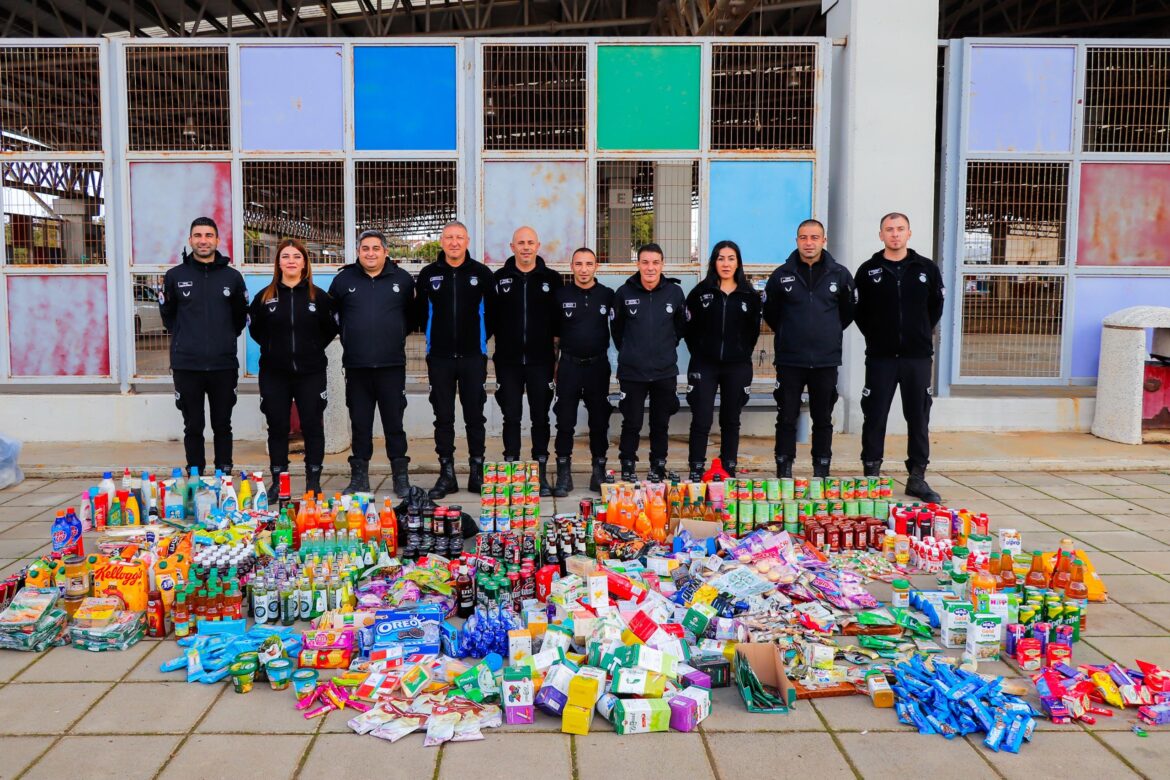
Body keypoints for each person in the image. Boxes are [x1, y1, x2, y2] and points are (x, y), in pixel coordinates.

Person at [854, 212, 945, 503]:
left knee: (918, 417)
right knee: (875, 415)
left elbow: (935, 308)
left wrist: (917, 333)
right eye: (889, 229)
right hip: (881, 358)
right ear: (880, 235)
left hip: (917, 358)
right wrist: (878, 337)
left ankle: (917, 477)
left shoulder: (926, 269)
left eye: (900, 229)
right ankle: (871, 476)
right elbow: (859, 312)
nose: (895, 234)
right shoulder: (868, 270)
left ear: (909, 233)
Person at [763, 219, 855, 479]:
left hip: (825, 361)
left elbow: (847, 313)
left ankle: (821, 469)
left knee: (823, 418)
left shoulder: (840, 274)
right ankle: (784, 468)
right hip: (790, 360)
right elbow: (772, 314)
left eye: (814, 237)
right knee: (787, 417)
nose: (809, 242)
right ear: (797, 241)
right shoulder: (782, 275)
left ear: (824, 241)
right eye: (804, 237)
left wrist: (828, 332)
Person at [328, 230, 416, 498]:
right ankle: (359, 480)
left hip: (392, 366)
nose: (370, 253)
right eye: (365, 248)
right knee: (360, 424)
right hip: (357, 367)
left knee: (394, 424)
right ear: (358, 252)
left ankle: (401, 479)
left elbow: (412, 317)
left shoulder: (401, 279)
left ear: (385, 252)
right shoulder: (344, 280)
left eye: (376, 248)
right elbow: (332, 315)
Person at [248, 239, 337, 498]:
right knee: (277, 426)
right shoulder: (264, 297)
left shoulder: (318, 296)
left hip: (311, 372)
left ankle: (313, 481)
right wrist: (276, 348)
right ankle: (279, 481)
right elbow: (256, 330)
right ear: (278, 262)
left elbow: (330, 329)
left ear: (304, 263)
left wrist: (310, 348)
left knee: (312, 426)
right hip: (275, 374)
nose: (291, 261)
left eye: (296, 256)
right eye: (285, 256)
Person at [159, 216, 247, 478]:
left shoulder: (232, 277)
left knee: (223, 425)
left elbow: (240, 318)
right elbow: (169, 317)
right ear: (190, 240)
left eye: (209, 235)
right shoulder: (175, 276)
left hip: (223, 365)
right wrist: (190, 339)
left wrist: (222, 339)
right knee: (193, 425)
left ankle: (224, 476)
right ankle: (195, 476)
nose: (203, 240)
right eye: (198, 235)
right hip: (187, 366)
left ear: (218, 240)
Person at [415, 221, 496, 499]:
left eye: (459, 237)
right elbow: (420, 315)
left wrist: (480, 341)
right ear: (441, 241)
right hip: (439, 358)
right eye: (449, 237)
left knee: (476, 417)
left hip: (473, 357)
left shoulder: (482, 274)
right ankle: (446, 474)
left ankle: (477, 472)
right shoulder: (428, 274)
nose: (454, 242)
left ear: (468, 240)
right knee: (443, 417)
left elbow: (492, 315)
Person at [490, 227, 563, 495]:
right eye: (520, 243)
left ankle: (539, 474)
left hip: (540, 361)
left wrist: (556, 359)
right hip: (507, 361)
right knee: (511, 416)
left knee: (540, 417)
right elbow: (490, 318)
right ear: (512, 246)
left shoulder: (552, 279)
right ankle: (511, 471)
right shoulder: (499, 279)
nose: (525, 247)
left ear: (538, 245)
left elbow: (558, 324)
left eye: (530, 242)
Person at [684, 240, 761, 481]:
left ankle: (728, 467)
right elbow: (689, 329)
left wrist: (738, 352)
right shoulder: (700, 293)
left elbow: (753, 333)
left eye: (731, 258)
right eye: (720, 258)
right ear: (713, 262)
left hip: (737, 366)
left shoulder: (749, 296)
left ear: (738, 262)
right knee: (702, 418)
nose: (725, 263)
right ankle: (696, 468)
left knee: (731, 419)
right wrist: (702, 352)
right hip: (704, 364)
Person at [611, 243, 686, 482]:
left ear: (662, 264)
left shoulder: (674, 293)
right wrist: (634, 352)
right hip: (632, 372)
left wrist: (663, 349)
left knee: (660, 423)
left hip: (664, 371)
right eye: (645, 262)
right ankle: (628, 464)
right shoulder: (624, 293)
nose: (650, 268)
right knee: (631, 421)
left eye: (655, 262)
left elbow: (680, 328)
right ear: (638, 264)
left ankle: (658, 465)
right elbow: (617, 330)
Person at [551, 247, 615, 495]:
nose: (584, 269)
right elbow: (554, 336)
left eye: (589, 264)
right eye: (579, 264)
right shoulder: (561, 295)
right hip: (569, 366)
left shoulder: (607, 295)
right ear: (572, 267)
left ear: (596, 266)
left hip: (598, 367)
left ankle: (598, 471)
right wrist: (555, 365)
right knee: (565, 421)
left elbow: (617, 328)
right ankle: (564, 474)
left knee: (599, 421)